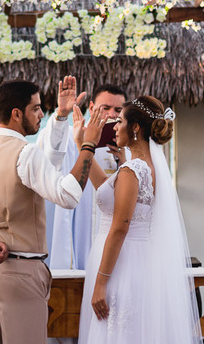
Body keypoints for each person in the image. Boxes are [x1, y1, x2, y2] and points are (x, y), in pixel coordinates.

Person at [0, 76, 100, 344]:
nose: (42, 114)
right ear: (17, 114)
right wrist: (88, 145)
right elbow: (67, 195)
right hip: (20, 271)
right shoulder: (25, 153)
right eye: (36, 108)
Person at [75, 95, 202, 343]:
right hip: (133, 261)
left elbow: (120, 227)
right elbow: (104, 188)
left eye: (120, 121)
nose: (115, 127)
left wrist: (100, 284)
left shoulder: (133, 170)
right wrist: (84, 145)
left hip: (120, 267)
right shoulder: (142, 166)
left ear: (135, 128)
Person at [45, 83, 127, 270]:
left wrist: (122, 160)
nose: (112, 115)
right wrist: (62, 115)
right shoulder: (74, 137)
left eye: (118, 110)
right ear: (91, 108)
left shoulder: (127, 147)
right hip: (80, 223)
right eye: (105, 108)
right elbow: (52, 153)